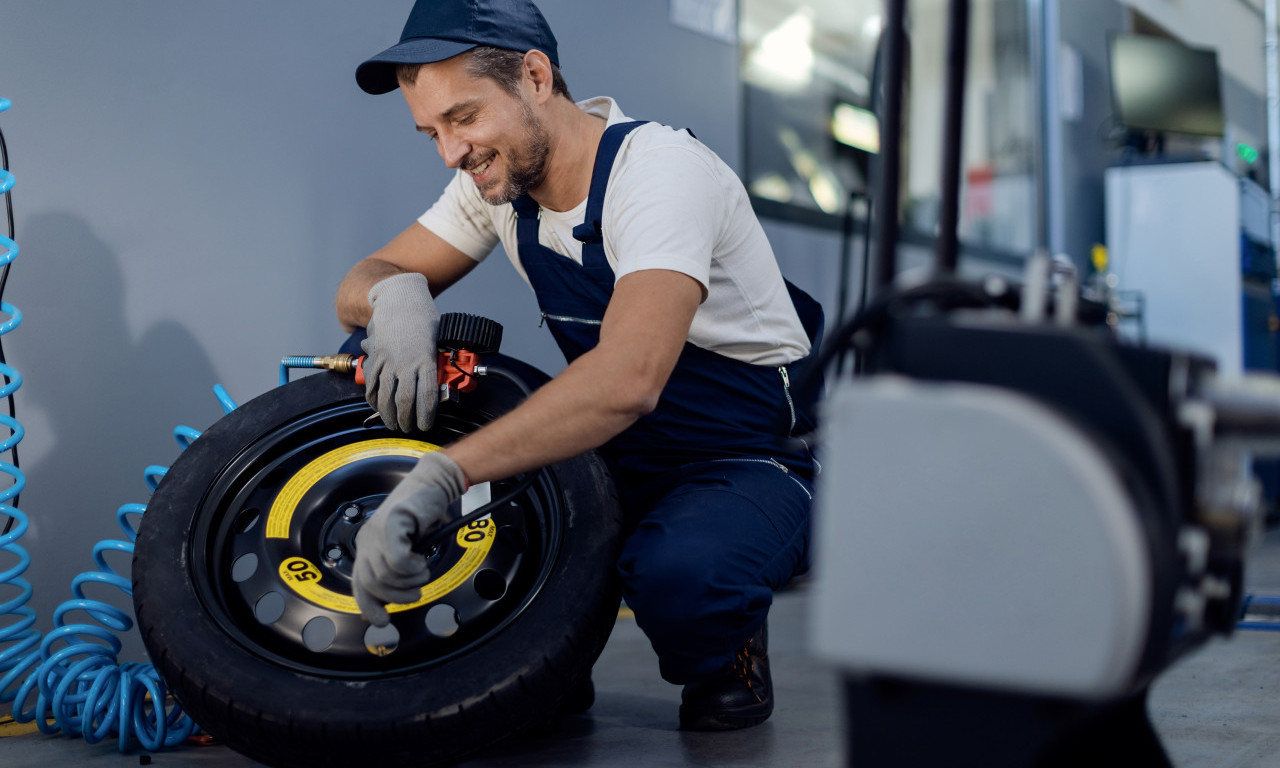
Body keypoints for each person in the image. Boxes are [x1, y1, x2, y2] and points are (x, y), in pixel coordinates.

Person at [337, 0, 823, 732]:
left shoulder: (657, 173)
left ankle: (731, 651)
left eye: (463, 118)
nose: (450, 152)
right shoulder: (497, 186)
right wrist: (396, 295)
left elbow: (628, 379)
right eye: (430, 132)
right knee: (373, 355)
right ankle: (551, 668)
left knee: (684, 578)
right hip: (607, 452)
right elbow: (358, 283)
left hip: (742, 460)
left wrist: (443, 478)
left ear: (534, 76)